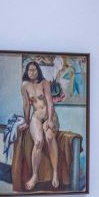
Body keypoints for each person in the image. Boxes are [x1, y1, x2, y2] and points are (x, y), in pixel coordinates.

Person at [20, 60, 60, 190]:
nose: (31, 72)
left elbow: (50, 102)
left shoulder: (44, 83)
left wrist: (50, 120)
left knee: (49, 137)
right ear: (27, 72)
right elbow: (26, 105)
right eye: (29, 70)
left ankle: (55, 173)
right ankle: (34, 176)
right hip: (36, 117)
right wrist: (26, 122)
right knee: (38, 142)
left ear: (38, 71)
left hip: (49, 115)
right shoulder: (24, 86)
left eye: (34, 70)